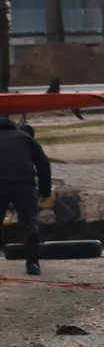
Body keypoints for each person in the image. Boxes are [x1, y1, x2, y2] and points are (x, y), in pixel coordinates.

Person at [0, 116, 52, 276]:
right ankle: (32, 264)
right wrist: (45, 191)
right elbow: (43, 163)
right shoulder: (25, 138)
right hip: (24, 185)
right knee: (29, 223)